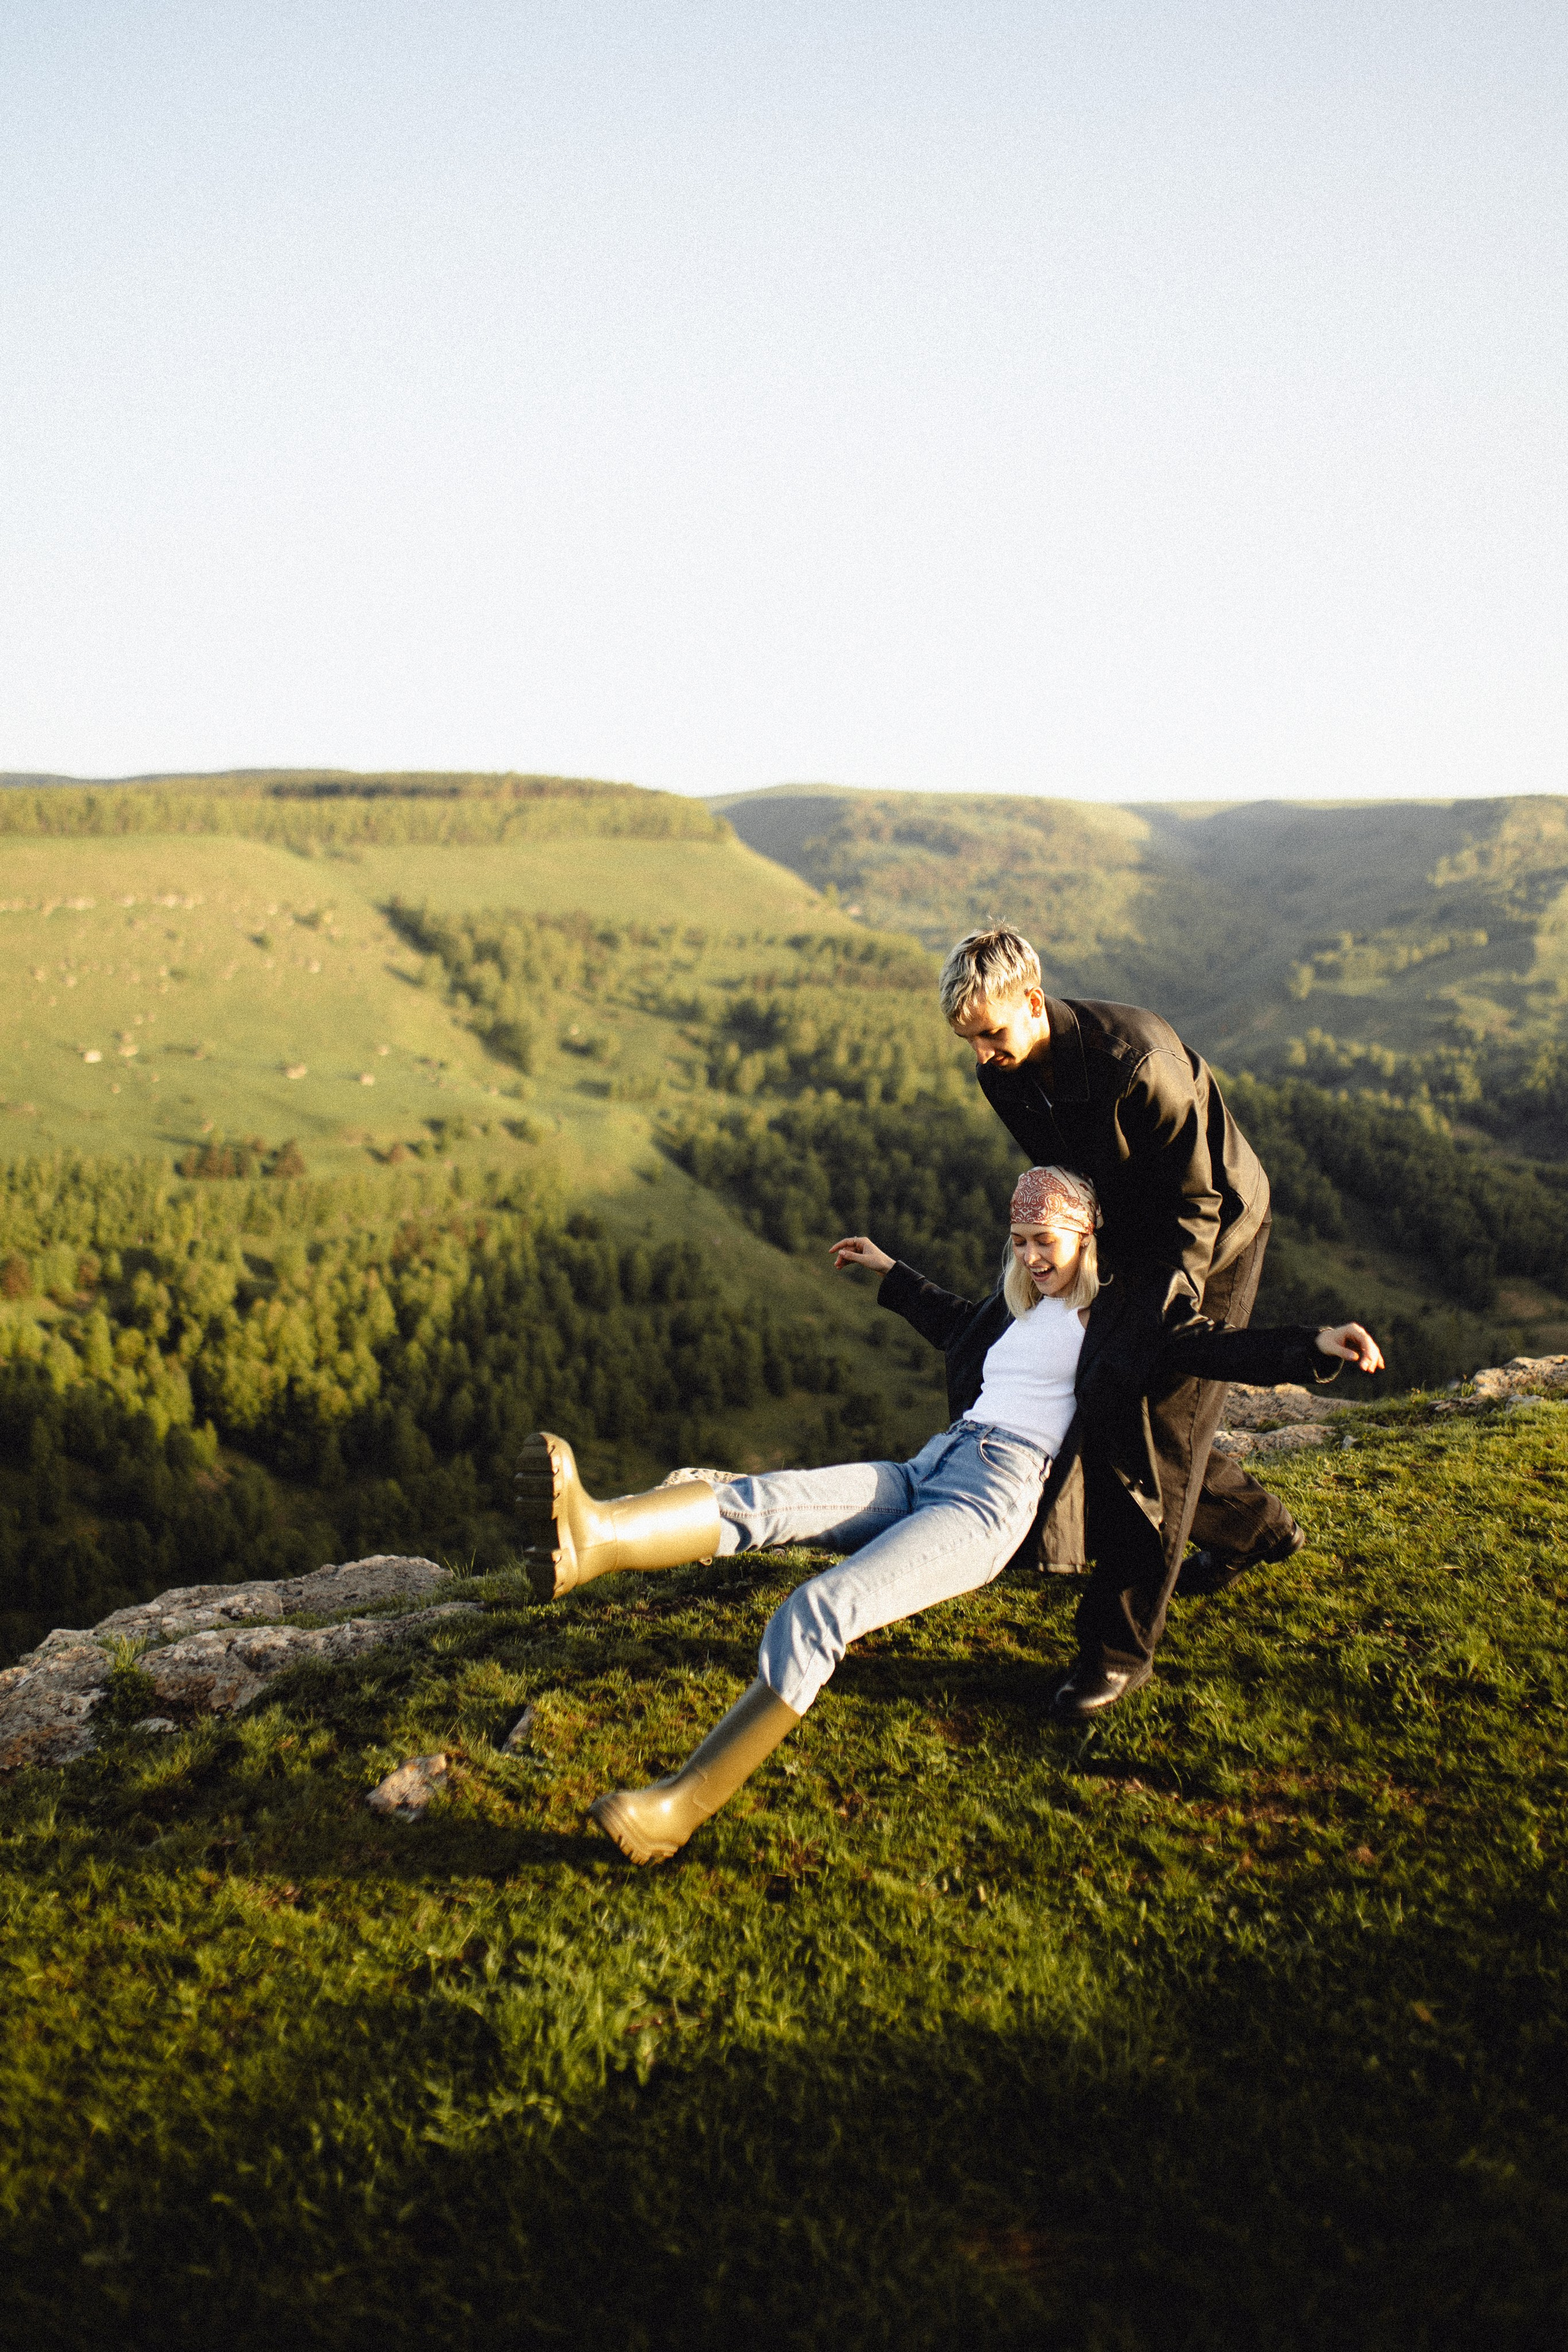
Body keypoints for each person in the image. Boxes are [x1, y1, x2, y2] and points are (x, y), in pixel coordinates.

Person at [515, 1166, 1382, 1868]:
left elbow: (1214, 1347)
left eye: (1046, 1241)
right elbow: (954, 1324)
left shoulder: (1122, 1319)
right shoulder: (1024, 1309)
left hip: (992, 1500)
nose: (1033, 1258)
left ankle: (677, 1808)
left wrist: (1314, 1345)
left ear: (1086, 1235)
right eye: (1020, 1242)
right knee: (764, 1500)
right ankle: (597, 1539)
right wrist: (891, 1273)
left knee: (822, 1608)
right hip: (933, 1462)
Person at [939, 923, 1311, 1722]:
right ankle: (1256, 1528)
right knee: (1098, 1395)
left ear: (1032, 1004)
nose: (981, 1056)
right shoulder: (1005, 1074)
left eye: (992, 1035)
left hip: (1211, 1237)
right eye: (968, 1041)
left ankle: (1119, 1652)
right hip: (1125, 1240)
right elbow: (1067, 1179)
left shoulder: (1138, 1061)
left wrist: (1161, 1313)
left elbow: (1199, 1201)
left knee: (1158, 1431)